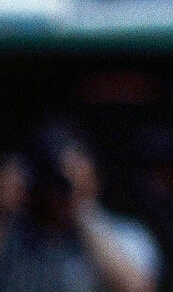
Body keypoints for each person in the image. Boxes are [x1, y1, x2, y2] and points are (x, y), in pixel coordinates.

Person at [0, 122, 162, 292]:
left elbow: (137, 288)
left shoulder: (126, 235)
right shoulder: (13, 234)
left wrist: (81, 205)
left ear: (96, 176)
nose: (57, 190)